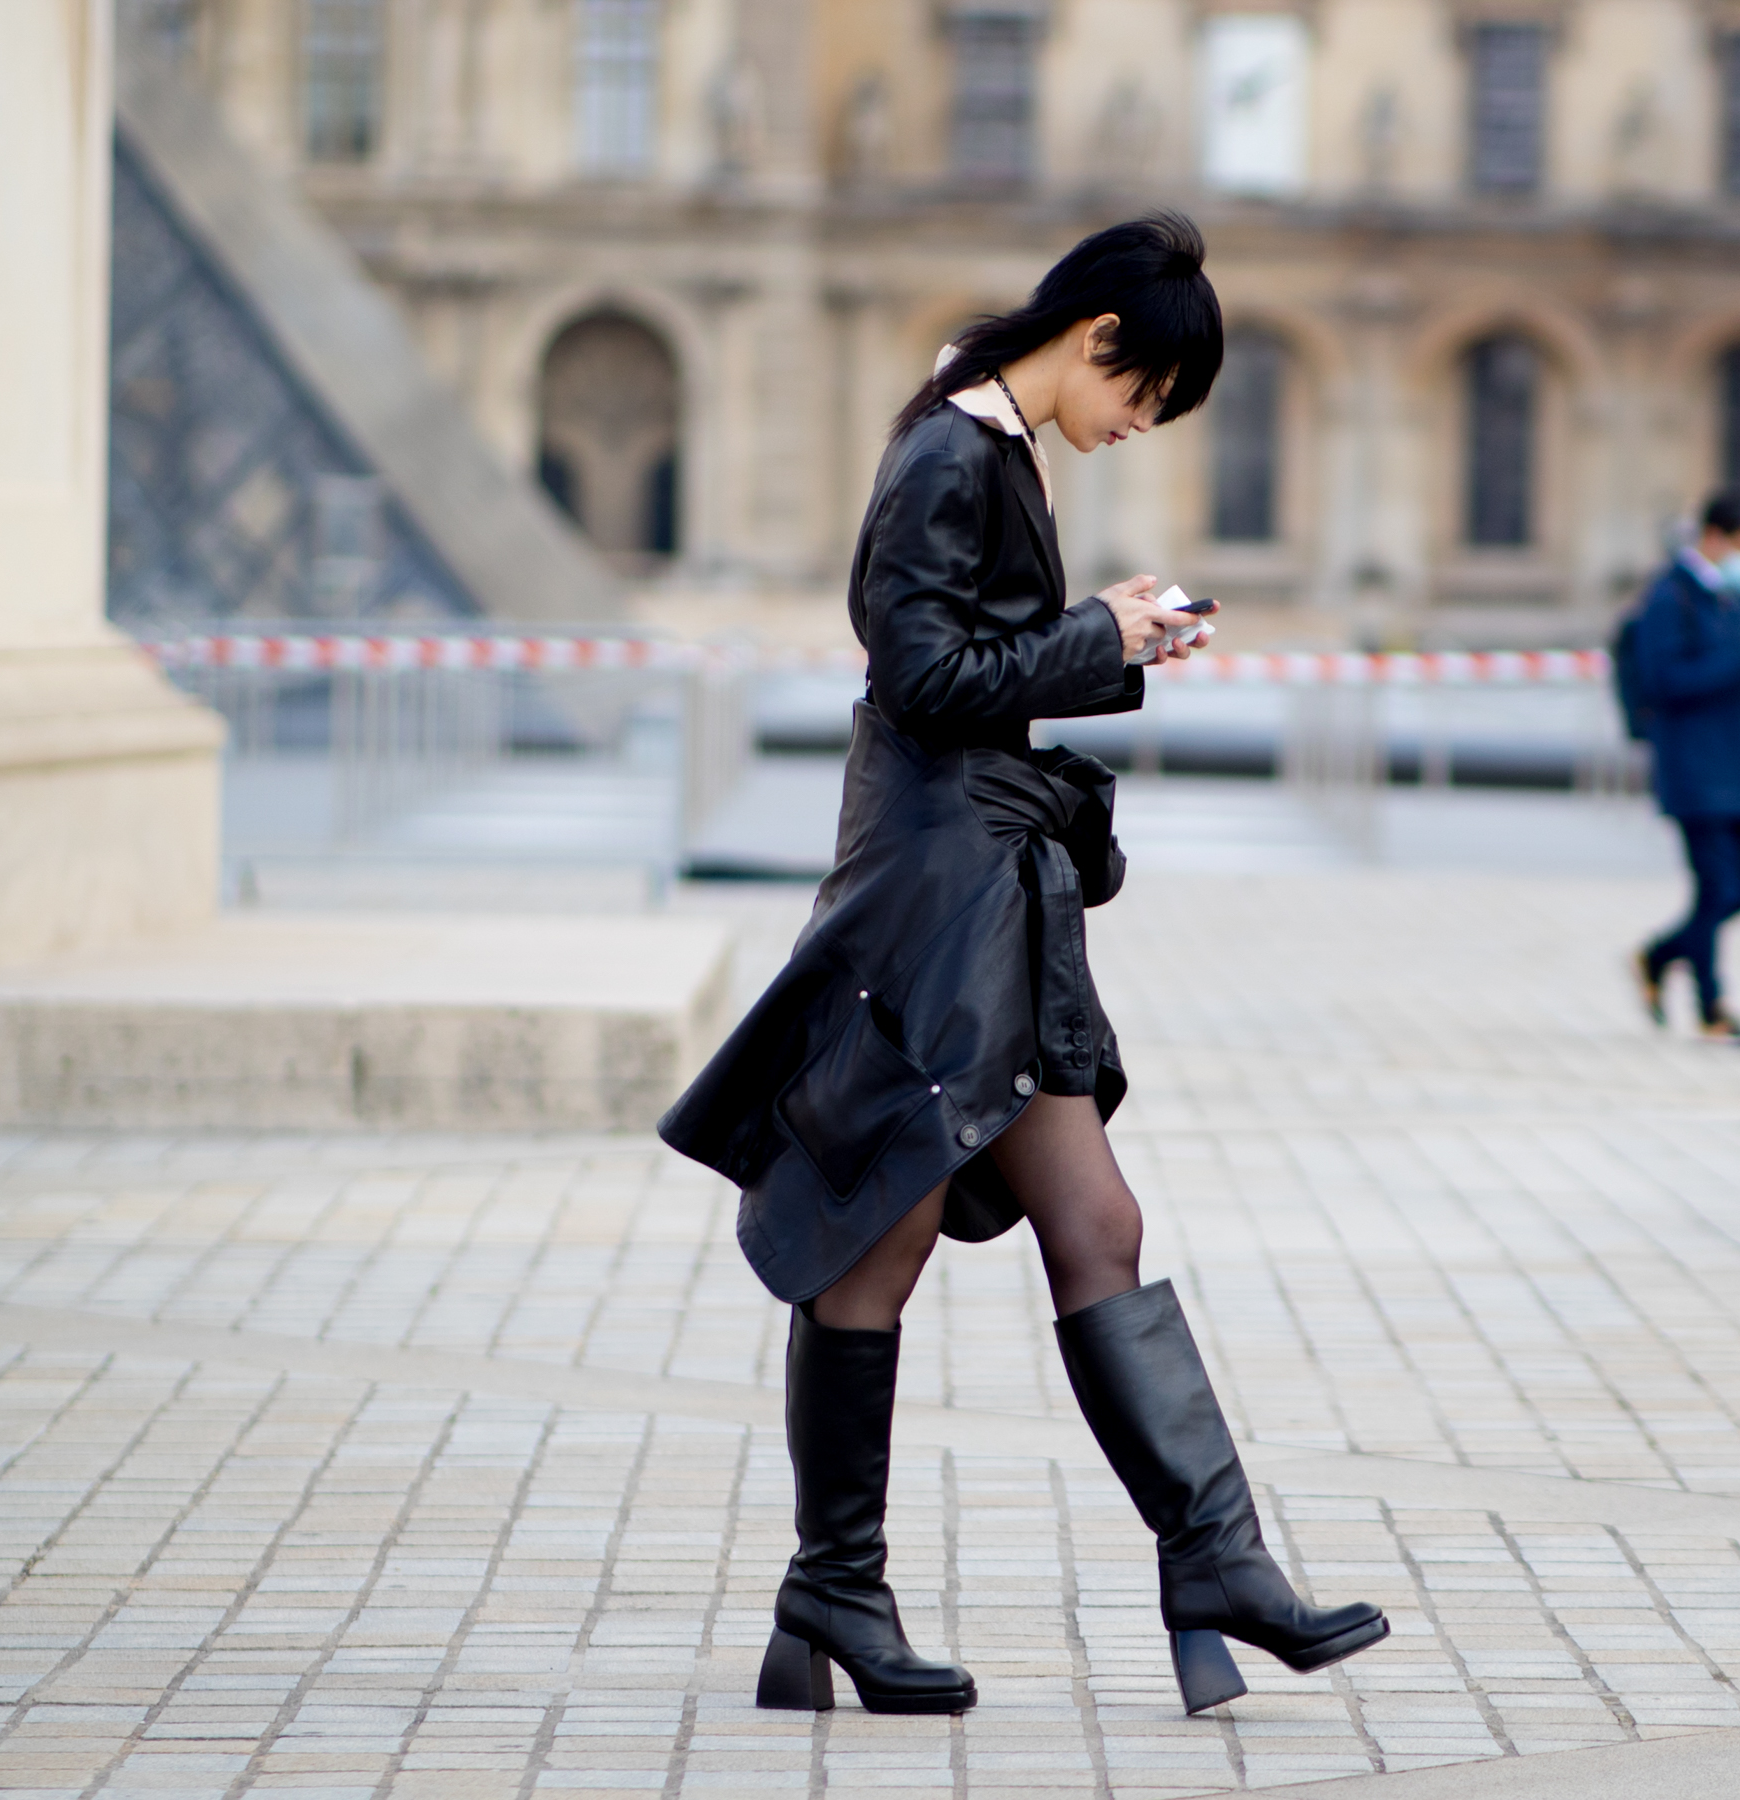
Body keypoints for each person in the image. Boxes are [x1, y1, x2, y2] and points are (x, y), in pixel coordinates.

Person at [656, 215, 1389, 1721]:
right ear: (1100, 340)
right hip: (934, 900)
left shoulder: (994, 449)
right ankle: (836, 1589)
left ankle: (1214, 1562)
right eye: (1144, 400)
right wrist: (1095, 631)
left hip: (992, 888)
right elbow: (919, 683)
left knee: (1095, 1217)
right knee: (887, 1232)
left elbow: (983, 671)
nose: (1133, 432)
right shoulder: (948, 455)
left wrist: (1109, 645)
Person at [1630, 491, 1740, 1049]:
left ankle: (1658, 958)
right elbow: (1665, 682)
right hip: (1695, 767)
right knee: (1717, 889)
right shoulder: (1669, 596)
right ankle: (1712, 1009)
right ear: (1719, 535)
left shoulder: (1734, 595)